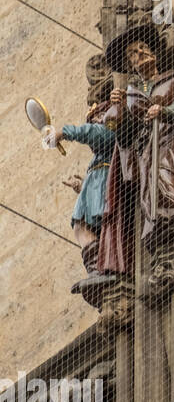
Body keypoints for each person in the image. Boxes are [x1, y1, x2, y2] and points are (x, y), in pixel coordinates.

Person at [103, 24, 174, 254]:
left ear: (153, 52)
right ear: (129, 64)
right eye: (133, 52)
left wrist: (165, 112)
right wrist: (118, 107)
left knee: (166, 173)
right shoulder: (131, 94)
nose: (139, 53)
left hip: (169, 139)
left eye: (142, 47)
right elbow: (124, 138)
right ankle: (160, 220)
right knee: (149, 187)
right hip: (145, 148)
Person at [50, 100, 118, 301]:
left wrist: (63, 132)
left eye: (96, 118)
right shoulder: (98, 156)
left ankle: (102, 267)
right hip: (94, 189)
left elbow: (94, 134)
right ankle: (96, 269)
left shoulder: (110, 131)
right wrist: (81, 187)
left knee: (89, 226)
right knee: (82, 227)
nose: (94, 122)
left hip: (106, 186)